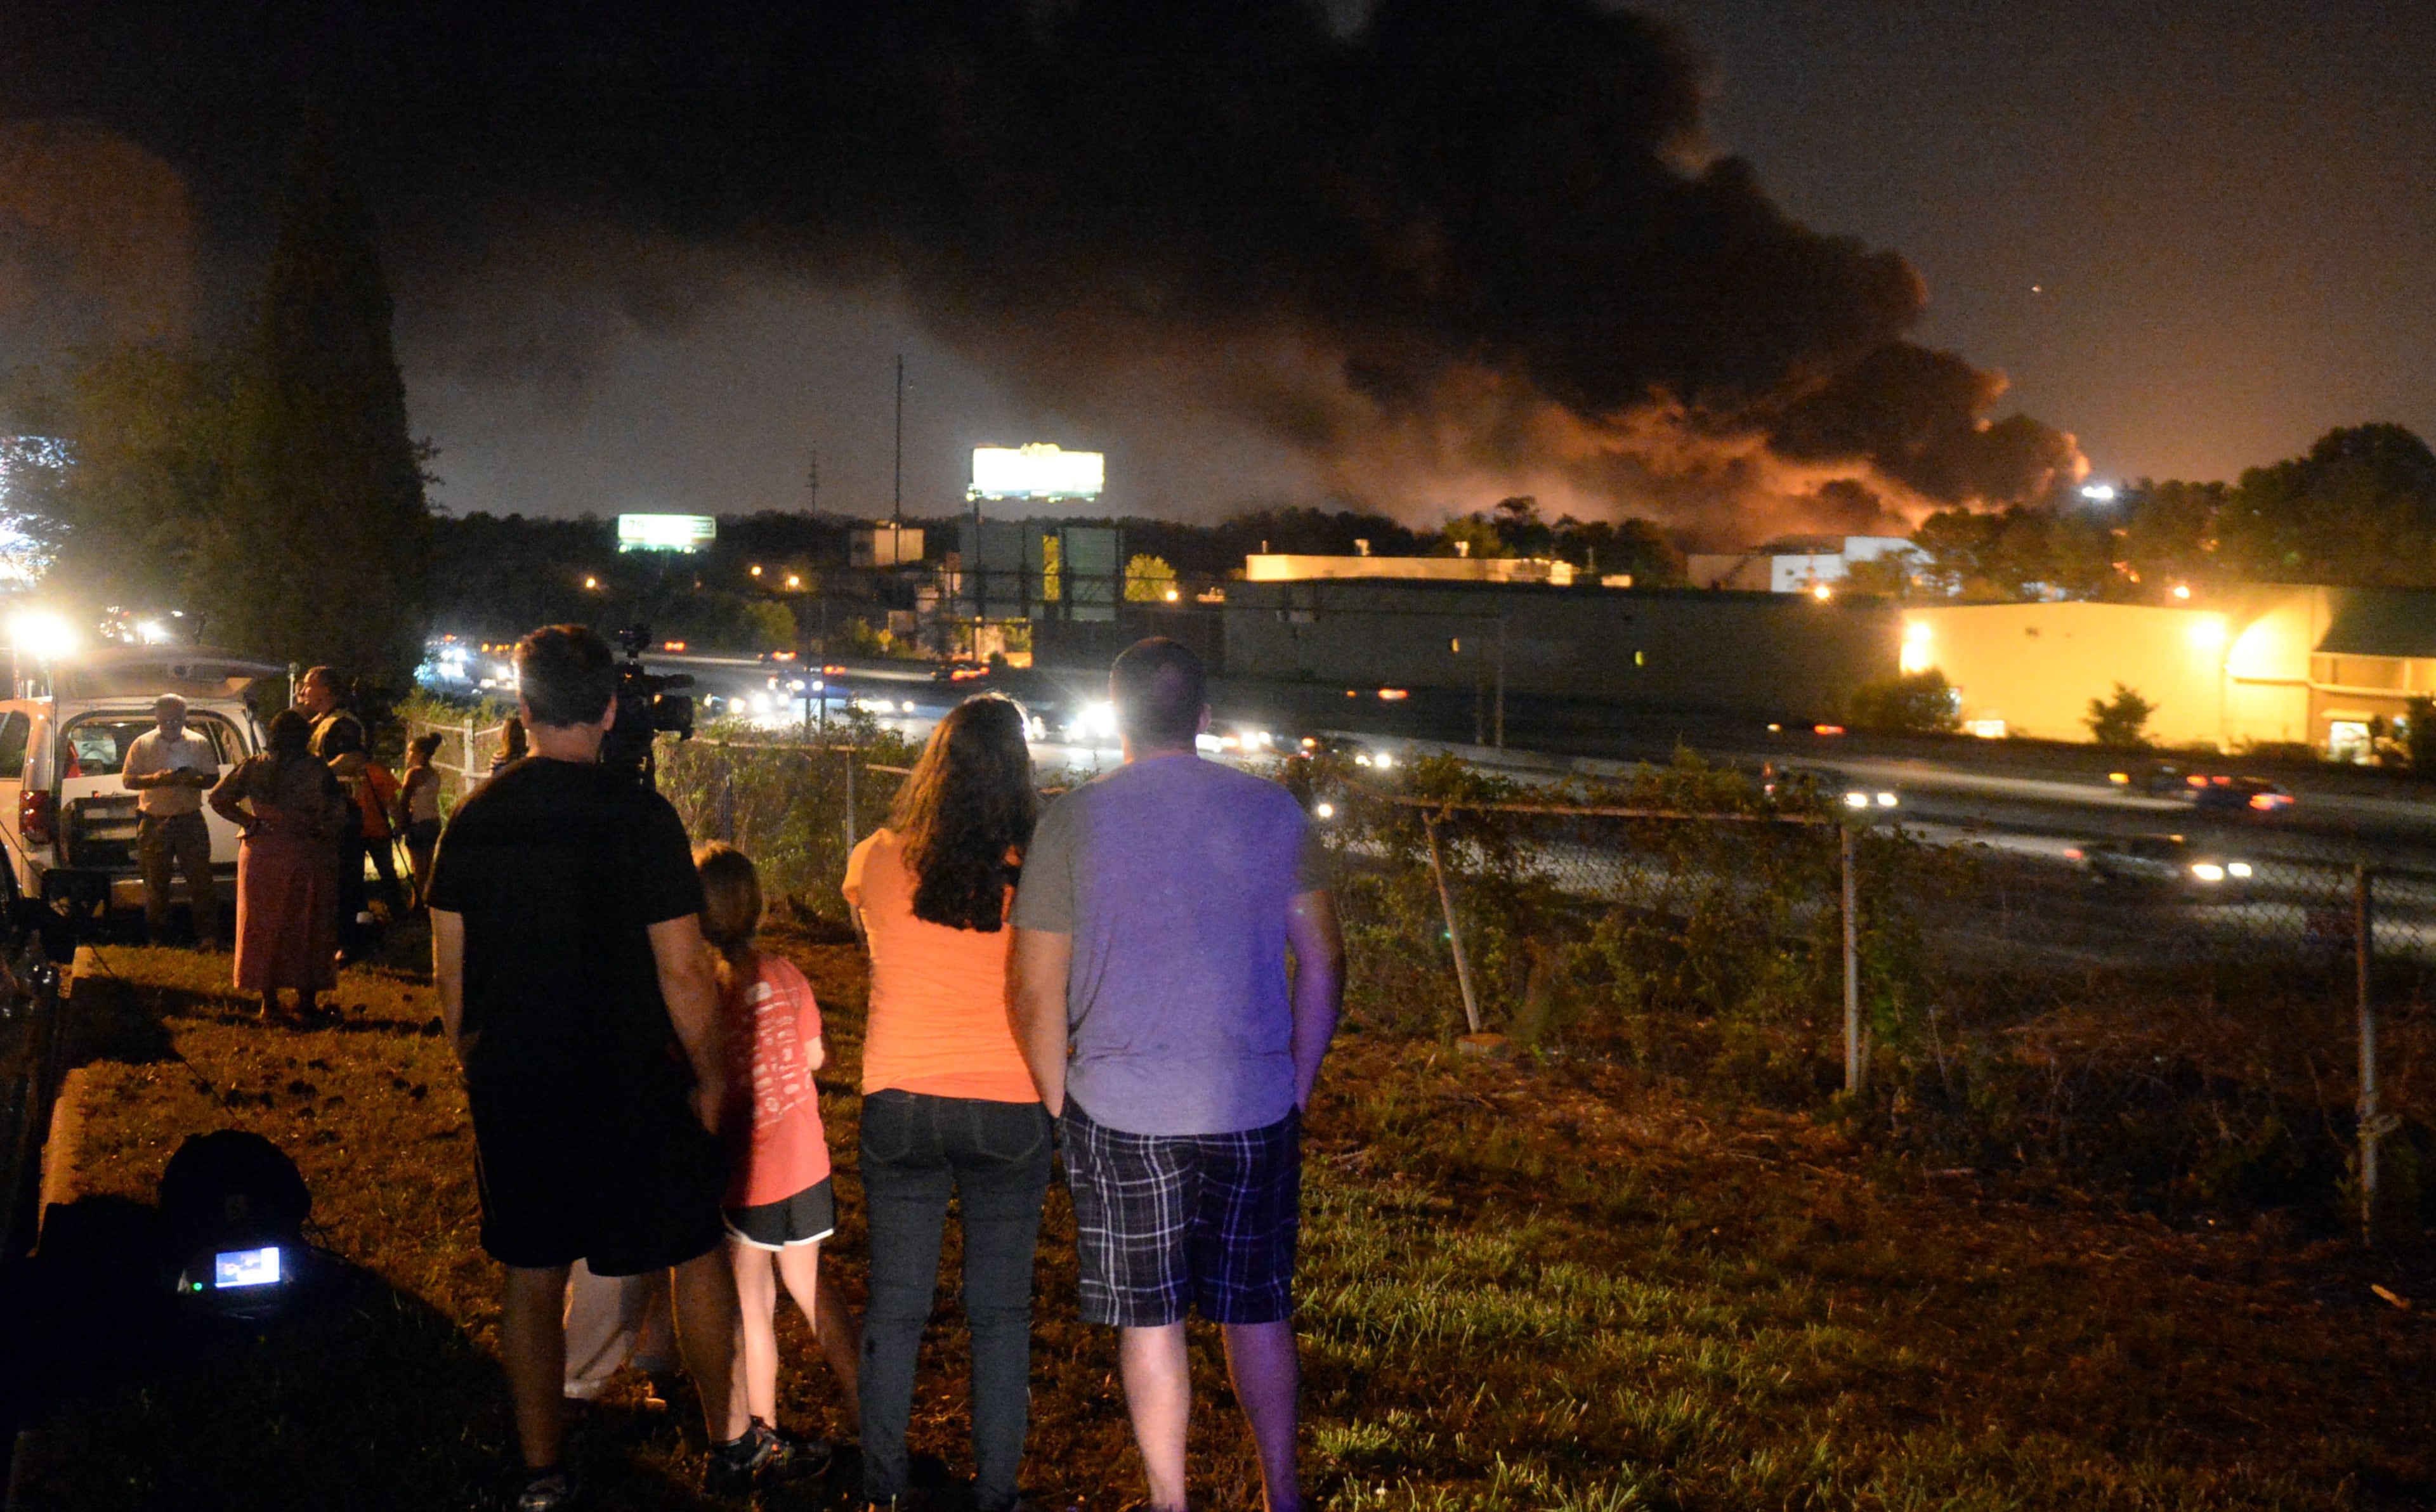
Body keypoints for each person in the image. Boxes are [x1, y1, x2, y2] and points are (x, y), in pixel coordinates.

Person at [426, 625, 801, 1511]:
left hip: (519, 1082)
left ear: (521, 709)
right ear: (606, 708)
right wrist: (711, 1075)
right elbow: (680, 968)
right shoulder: (642, 817)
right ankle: (729, 1442)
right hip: (634, 1082)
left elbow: (451, 975)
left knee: (532, 1274)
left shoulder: (475, 820)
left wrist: (476, 1058)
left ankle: (542, 1471)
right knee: (690, 1252)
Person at [1010, 639, 1344, 1512]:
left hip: (1121, 1113)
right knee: (1258, 1304)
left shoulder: (1072, 823)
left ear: (1118, 719)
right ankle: (1284, 1491)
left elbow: (1033, 987)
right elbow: (1325, 962)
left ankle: (1169, 1500)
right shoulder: (1274, 815)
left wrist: (1057, 1100)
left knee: (1152, 1318)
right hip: (1252, 1102)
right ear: (1203, 716)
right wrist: (1297, 1081)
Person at [843, 694, 1051, 1512]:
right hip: (1008, 1104)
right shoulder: (1038, 873)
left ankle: (881, 1491)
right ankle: (996, 1493)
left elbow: (879, 958)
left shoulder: (877, 857)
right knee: (999, 1316)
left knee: (896, 1308)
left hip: (899, 1100)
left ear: (934, 770)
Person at [697, 841, 859, 1466]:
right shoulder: (787, 972)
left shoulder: (705, 992)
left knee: (753, 1306)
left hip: (751, 1178)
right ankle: (868, 1405)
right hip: (808, 1163)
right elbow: (816, 1058)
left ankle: (762, 1427)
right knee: (813, 1285)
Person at [208, 709, 350, 1019]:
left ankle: (268, 1002)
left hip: (261, 852)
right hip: (305, 850)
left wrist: (250, 822)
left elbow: (219, 799)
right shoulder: (315, 769)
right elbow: (338, 811)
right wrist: (322, 829)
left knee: (261, 925)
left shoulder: (253, 768)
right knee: (307, 922)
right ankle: (307, 1000)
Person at [122, 693, 221, 947]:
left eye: (176, 721)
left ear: (184, 717)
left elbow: (212, 778)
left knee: (201, 880)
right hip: (154, 820)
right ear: (156, 716)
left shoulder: (198, 743)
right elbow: (128, 780)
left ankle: (207, 936)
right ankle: (158, 937)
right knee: (155, 882)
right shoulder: (142, 744)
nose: (171, 725)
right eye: (166, 720)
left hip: (189, 818)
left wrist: (192, 779)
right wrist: (155, 779)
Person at [396, 731, 446, 909]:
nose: (408, 754)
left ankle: (417, 904)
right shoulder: (434, 773)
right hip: (433, 822)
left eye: (411, 751)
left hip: (418, 824)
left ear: (421, 754)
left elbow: (404, 801)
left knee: (418, 868)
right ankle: (428, 902)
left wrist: (400, 825)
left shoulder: (413, 774)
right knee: (429, 866)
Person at [294, 665, 364, 759]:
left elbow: (352, 759)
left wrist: (322, 773)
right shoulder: (317, 722)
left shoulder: (344, 723)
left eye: (308, 686)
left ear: (326, 689)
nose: (302, 692)